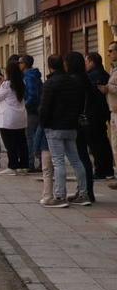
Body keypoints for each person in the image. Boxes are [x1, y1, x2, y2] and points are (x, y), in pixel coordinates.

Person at [39, 55, 92, 208]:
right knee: (76, 161)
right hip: (71, 126)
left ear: (50, 66)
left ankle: (60, 196)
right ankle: (83, 194)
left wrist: (43, 123)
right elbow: (81, 103)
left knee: (58, 162)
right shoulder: (74, 82)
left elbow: (45, 107)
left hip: (54, 127)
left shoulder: (50, 83)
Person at [67, 52, 98, 204]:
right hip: (86, 122)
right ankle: (85, 190)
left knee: (80, 158)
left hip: (78, 123)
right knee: (83, 157)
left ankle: (84, 192)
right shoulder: (85, 78)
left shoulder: (74, 80)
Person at [85, 53, 115, 180]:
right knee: (103, 141)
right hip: (103, 112)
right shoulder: (106, 74)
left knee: (95, 143)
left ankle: (100, 170)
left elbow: (89, 96)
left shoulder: (91, 77)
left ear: (92, 62)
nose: (85, 64)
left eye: (86, 62)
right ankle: (108, 169)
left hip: (93, 114)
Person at [0, 62, 28, 174]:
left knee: (10, 143)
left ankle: (12, 165)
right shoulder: (22, 82)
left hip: (8, 118)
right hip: (20, 117)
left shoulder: (7, 84)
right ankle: (24, 165)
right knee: (21, 142)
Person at [22, 55, 44, 172]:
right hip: (36, 110)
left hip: (31, 111)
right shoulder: (34, 75)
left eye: (20, 63)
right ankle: (41, 161)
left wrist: (24, 105)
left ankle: (30, 163)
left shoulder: (29, 77)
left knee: (30, 137)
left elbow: (32, 95)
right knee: (36, 136)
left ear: (24, 64)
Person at [104, 41, 117, 190]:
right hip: (113, 111)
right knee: (115, 145)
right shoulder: (113, 68)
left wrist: (108, 88)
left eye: (111, 51)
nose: (109, 54)